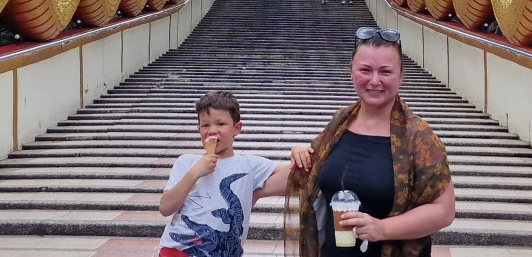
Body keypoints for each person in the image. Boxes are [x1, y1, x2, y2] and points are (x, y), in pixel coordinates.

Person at [284, 27, 454, 257]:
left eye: (385, 71)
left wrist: (382, 228)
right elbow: (312, 171)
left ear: (401, 76)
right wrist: (300, 153)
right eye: (365, 70)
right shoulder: (340, 122)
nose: (375, 80)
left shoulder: (419, 137)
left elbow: (444, 211)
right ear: (351, 72)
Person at [158, 91, 286, 256]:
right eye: (205, 125)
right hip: (177, 251)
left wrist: (298, 151)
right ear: (199, 129)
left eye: (220, 124)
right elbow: (165, 208)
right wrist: (194, 173)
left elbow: (293, 176)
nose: (212, 131)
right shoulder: (187, 161)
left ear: (236, 128)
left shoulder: (249, 164)